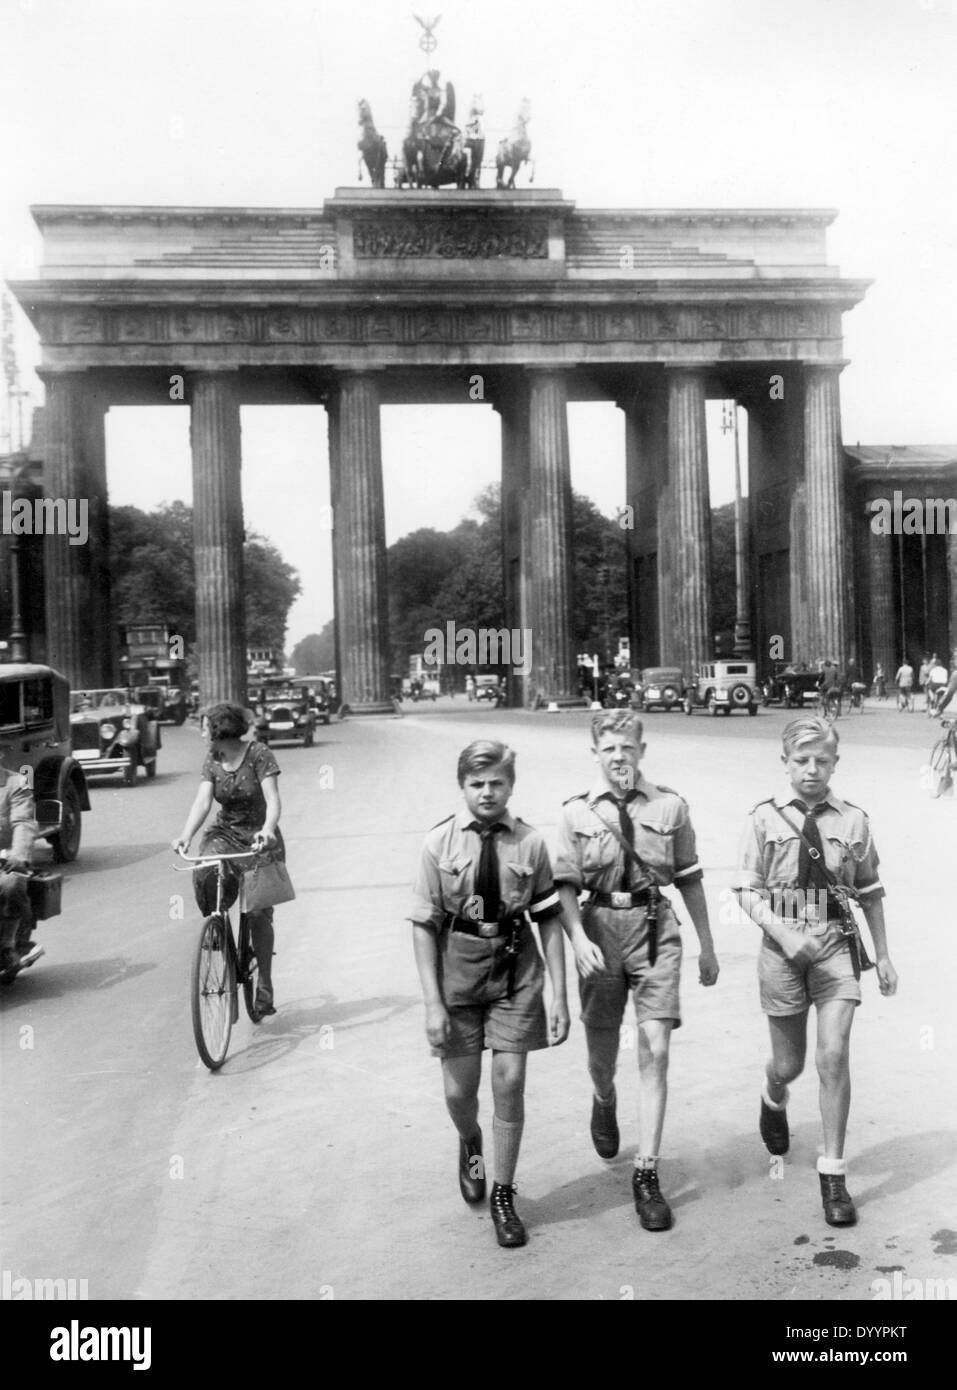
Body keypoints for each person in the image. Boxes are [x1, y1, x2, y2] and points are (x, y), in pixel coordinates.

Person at [554, 711, 719, 1231]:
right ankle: (604, 1099)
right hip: (599, 929)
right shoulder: (575, 812)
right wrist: (577, 937)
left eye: (627, 747)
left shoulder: (670, 805)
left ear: (641, 751)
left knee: (657, 1048)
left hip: (654, 926)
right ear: (595, 754)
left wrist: (706, 947)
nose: (619, 757)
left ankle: (646, 1172)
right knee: (603, 1058)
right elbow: (562, 885)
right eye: (609, 749)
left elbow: (689, 877)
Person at [732, 717, 897, 1227]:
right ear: (785, 764)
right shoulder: (763, 819)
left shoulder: (853, 821)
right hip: (782, 949)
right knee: (791, 1064)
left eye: (821, 761)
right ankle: (773, 1093)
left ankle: (833, 1174)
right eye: (801, 761)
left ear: (834, 763)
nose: (811, 770)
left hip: (834, 946)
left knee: (834, 1054)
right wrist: (784, 936)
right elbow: (745, 890)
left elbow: (869, 891)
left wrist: (884, 955)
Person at [409, 739, 569, 1248]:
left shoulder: (530, 844)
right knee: (460, 1093)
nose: (487, 792)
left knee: (510, 1079)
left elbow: (549, 920)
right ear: (462, 787)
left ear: (511, 786)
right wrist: (433, 1002)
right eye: (477, 784)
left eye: (497, 782)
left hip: (515, 968)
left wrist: (559, 996)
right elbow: (422, 925)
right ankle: (471, 1141)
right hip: (457, 970)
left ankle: (504, 1193)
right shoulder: (439, 843)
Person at [172, 702, 284, 1016]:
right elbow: (203, 801)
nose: (203, 733)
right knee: (206, 869)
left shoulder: (259, 754)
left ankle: (264, 980)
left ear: (219, 730)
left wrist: (268, 829)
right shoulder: (214, 758)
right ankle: (218, 928)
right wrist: (186, 835)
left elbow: (273, 799)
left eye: (205, 727)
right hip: (224, 833)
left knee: (259, 913)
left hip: (259, 837)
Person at [0, 764, 41, 977]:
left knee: (10, 885)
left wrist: (18, 855)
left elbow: (23, 822)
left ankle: (9, 945)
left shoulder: (18, 782)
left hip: (5, 859)